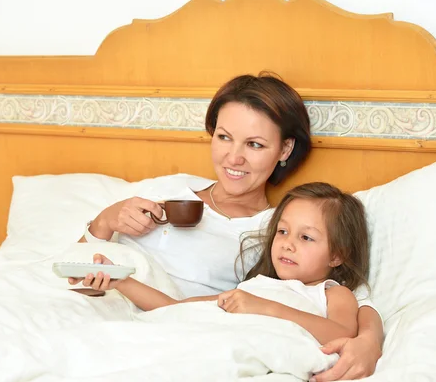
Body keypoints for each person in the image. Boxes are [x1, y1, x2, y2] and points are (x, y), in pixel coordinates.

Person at [73, 72, 383, 380]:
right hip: (93, 304)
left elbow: (351, 300)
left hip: (164, 330)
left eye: (255, 145)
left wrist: (369, 342)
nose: (234, 158)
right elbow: (74, 270)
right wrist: (105, 221)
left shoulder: (275, 230)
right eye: (224, 137)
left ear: (285, 150)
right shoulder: (172, 186)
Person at [75, 182, 370, 347]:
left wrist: (266, 308)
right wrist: (121, 281)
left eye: (306, 237)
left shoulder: (331, 293)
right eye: (282, 231)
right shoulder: (252, 288)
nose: (288, 243)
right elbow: (177, 307)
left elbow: (343, 335)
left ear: (336, 255)